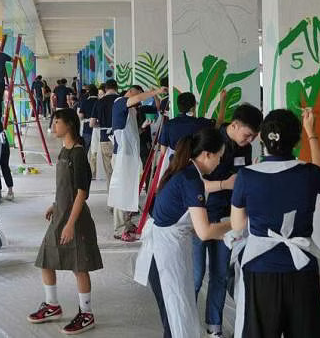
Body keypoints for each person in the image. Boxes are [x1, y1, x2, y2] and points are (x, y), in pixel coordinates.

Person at [229, 108, 320, 338]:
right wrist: (311, 131)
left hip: (260, 269)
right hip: (302, 269)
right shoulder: (310, 174)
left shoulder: (247, 176)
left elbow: (237, 225)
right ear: (296, 141)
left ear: (262, 138)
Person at [133, 127, 232, 338]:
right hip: (163, 259)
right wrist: (235, 224)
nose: (219, 163)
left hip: (168, 253)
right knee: (175, 319)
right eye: (219, 157)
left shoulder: (186, 171)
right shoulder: (191, 179)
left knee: (179, 316)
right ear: (207, 154)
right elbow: (204, 232)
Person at [28, 109, 103, 335]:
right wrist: (55, 203)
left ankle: (86, 313)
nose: (53, 125)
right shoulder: (63, 151)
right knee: (46, 260)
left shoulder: (78, 154)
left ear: (70, 124)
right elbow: (64, 187)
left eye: (57, 121)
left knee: (79, 267)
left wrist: (70, 224)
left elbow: (81, 193)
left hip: (75, 219)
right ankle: (52, 306)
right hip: (60, 214)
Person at [196, 103, 262, 338]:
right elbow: (194, 182)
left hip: (228, 217)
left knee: (220, 274)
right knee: (195, 275)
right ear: (233, 125)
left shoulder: (246, 147)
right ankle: (187, 326)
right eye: (247, 134)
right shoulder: (210, 141)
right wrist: (225, 184)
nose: (250, 139)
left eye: (254, 136)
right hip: (201, 215)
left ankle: (214, 326)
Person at [109, 83, 167, 241]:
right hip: (121, 155)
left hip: (130, 155)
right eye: (138, 94)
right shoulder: (120, 102)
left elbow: (156, 109)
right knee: (122, 192)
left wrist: (155, 96)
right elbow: (138, 98)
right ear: (131, 91)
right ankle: (119, 228)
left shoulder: (133, 109)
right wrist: (156, 90)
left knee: (129, 192)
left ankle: (127, 224)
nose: (139, 99)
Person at [157, 92, 214, 179]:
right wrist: (222, 102)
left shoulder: (168, 124)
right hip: (197, 167)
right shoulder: (201, 123)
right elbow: (219, 125)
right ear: (193, 108)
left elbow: (163, 151)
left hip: (174, 166)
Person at [89, 79, 120, 187]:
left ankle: (112, 197)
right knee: (121, 168)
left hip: (105, 139)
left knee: (109, 169)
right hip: (121, 139)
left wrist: (101, 124)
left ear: (105, 89)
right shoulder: (121, 100)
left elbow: (92, 123)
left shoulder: (99, 102)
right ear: (116, 88)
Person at [77, 85, 100, 179]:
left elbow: (81, 116)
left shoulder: (85, 102)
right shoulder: (100, 102)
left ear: (89, 93)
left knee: (84, 150)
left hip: (87, 129)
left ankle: (82, 171)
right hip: (98, 128)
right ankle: (95, 173)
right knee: (96, 151)